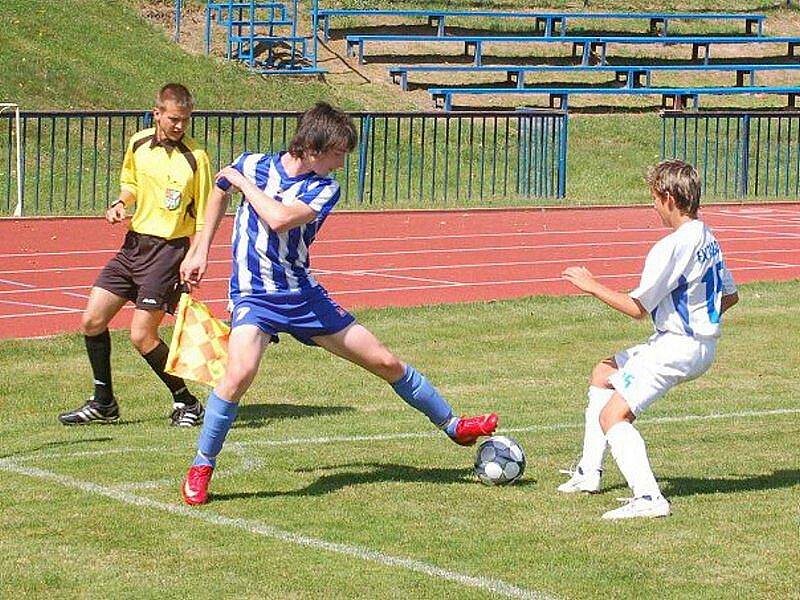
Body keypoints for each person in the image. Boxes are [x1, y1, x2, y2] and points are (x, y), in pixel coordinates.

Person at [178, 102, 499, 505]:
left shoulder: (322, 187)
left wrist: (243, 184)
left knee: (384, 362)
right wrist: (200, 250)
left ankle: (453, 425)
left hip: (302, 294)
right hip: (254, 295)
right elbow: (218, 192)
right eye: (338, 155)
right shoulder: (254, 163)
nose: (342, 165)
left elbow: (277, 218)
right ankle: (202, 466)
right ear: (314, 147)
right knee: (238, 374)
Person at [559, 160, 738, 520]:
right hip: (696, 344)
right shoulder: (707, 235)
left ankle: (649, 498)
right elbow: (730, 296)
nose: (653, 206)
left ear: (669, 198)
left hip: (678, 347)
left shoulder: (670, 247)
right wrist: (701, 320)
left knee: (613, 416)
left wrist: (591, 285)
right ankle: (588, 473)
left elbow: (636, 308)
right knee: (602, 372)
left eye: (654, 198)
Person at [58, 83, 211, 428]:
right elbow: (132, 183)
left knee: (142, 336)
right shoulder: (138, 143)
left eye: (185, 120)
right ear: (157, 113)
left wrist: (195, 256)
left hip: (168, 252)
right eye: (173, 119)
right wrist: (121, 202)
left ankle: (187, 402)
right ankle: (103, 403)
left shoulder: (196, 157)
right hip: (133, 245)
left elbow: (203, 216)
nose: (179, 126)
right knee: (92, 321)